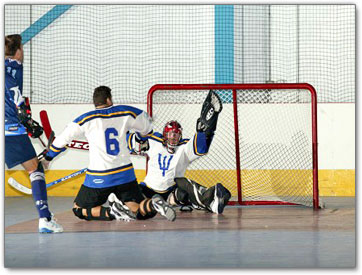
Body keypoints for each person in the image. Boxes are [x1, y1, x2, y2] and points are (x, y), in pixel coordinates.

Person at [41, 86, 176, 222]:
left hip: (100, 177)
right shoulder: (127, 112)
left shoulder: (86, 119)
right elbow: (147, 127)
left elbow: (60, 141)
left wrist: (48, 158)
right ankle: (153, 204)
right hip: (125, 175)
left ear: (95, 102)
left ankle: (112, 212)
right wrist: (142, 139)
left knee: (78, 209)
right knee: (137, 209)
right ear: (109, 99)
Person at [127, 90, 231, 214]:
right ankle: (123, 207)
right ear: (165, 134)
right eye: (171, 134)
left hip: (170, 193)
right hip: (148, 189)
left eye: (176, 134)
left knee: (183, 186)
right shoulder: (154, 140)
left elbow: (201, 147)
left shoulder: (183, 147)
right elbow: (131, 144)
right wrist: (137, 132)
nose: (173, 137)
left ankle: (210, 201)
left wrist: (204, 129)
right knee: (132, 193)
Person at [5, 34, 63, 233]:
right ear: (18, 51)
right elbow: (17, 101)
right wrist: (29, 123)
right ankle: (45, 219)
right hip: (10, 131)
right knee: (35, 169)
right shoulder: (12, 71)